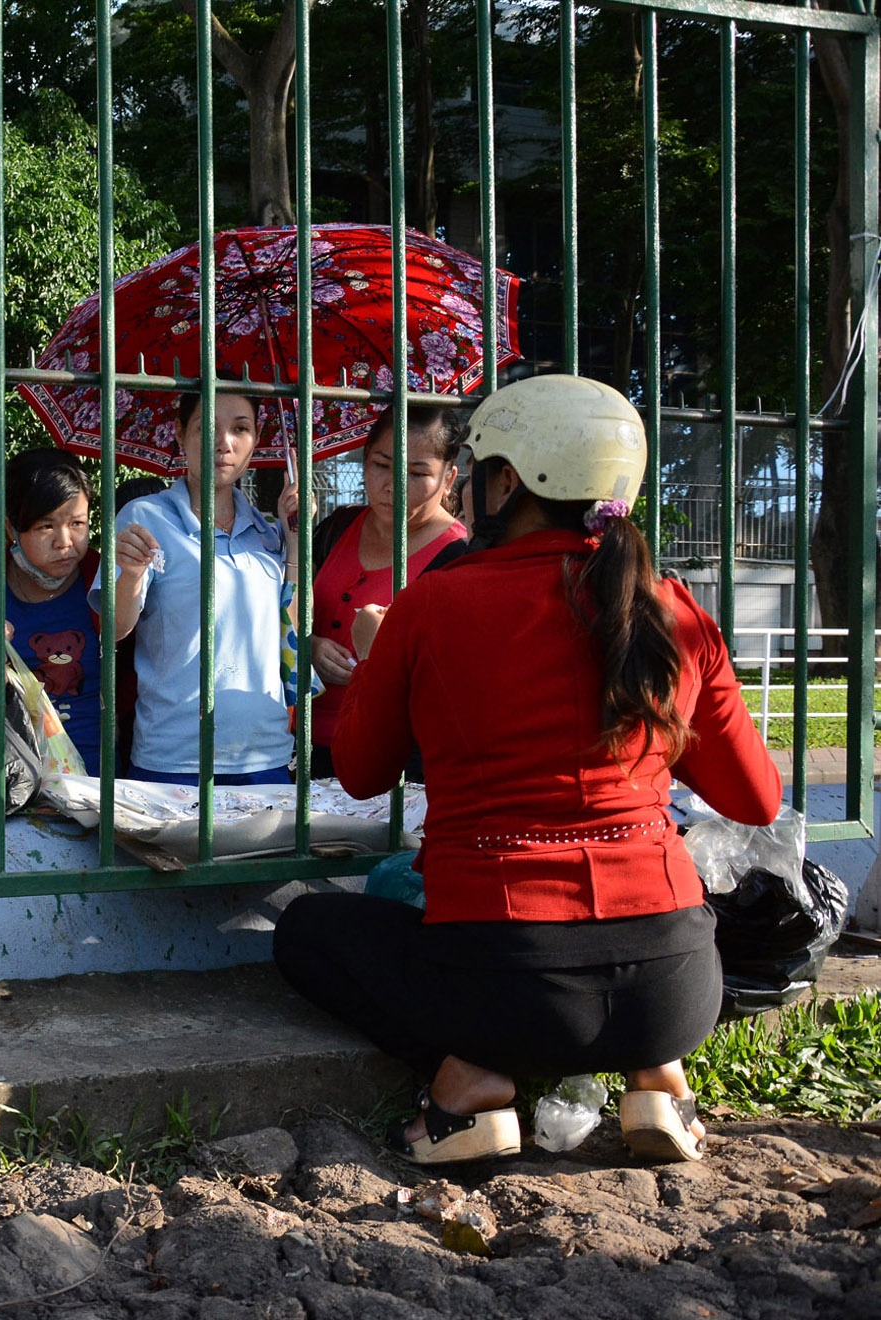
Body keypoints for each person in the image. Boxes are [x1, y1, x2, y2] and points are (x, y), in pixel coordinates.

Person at [273, 375, 781, 1166]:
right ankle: (656, 1081)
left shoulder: (434, 606)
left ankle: (470, 1083)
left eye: (477, 469)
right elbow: (756, 798)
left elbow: (365, 772)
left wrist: (380, 663)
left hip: (505, 983)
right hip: (674, 989)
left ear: (508, 481)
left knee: (306, 930)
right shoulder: (674, 609)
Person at [98, 392, 303, 786]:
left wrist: (295, 540)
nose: (224, 442)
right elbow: (114, 628)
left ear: (256, 437)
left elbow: (289, 637)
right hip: (173, 757)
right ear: (180, 433)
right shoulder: (145, 517)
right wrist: (130, 572)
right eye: (206, 428)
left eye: (240, 428)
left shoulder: (267, 531)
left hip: (265, 754)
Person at [307, 407, 470, 779]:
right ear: (364, 460)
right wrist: (309, 645)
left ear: (449, 478)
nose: (394, 485)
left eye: (417, 474)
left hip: (397, 761)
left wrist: (377, 656)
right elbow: (286, 607)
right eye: (382, 465)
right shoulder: (337, 526)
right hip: (305, 743)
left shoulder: (459, 557)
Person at [0, 448, 103, 775]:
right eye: (46, 527)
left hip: (101, 778)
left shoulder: (103, 578)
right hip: (10, 780)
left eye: (78, 523)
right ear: (11, 528)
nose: (65, 542)